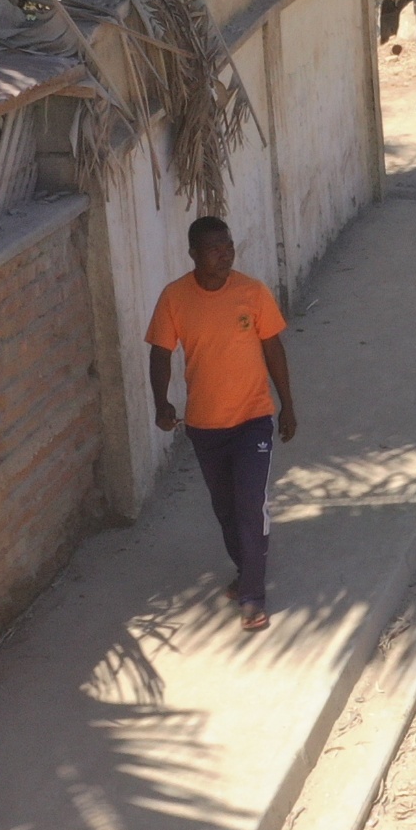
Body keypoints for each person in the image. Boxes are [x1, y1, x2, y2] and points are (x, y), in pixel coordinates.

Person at [145, 214, 296, 634]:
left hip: (253, 419)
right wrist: (162, 404)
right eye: (214, 248)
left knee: (251, 505)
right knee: (226, 509)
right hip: (205, 426)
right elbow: (159, 354)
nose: (224, 254)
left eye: (228, 245)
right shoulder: (175, 298)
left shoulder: (252, 292)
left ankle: (252, 595)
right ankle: (245, 571)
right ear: (193, 254)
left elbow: (274, 349)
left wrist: (288, 405)